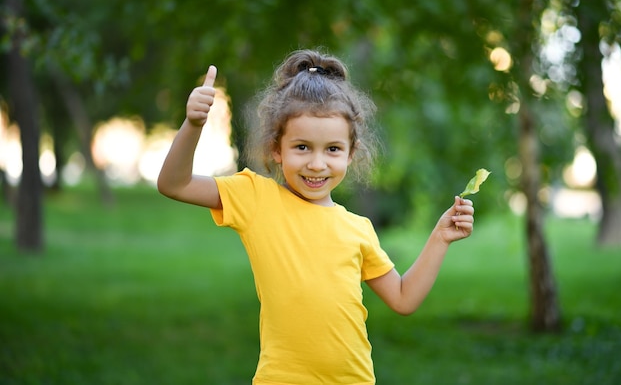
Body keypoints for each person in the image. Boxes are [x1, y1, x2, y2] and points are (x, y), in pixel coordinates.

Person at [157, 49, 475, 385]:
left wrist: (440, 238)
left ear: (351, 154)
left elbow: (403, 298)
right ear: (276, 150)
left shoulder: (358, 228)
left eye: (333, 149)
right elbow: (174, 184)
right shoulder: (254, 197)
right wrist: (193, 125)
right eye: (302, 147)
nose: (317, 164)